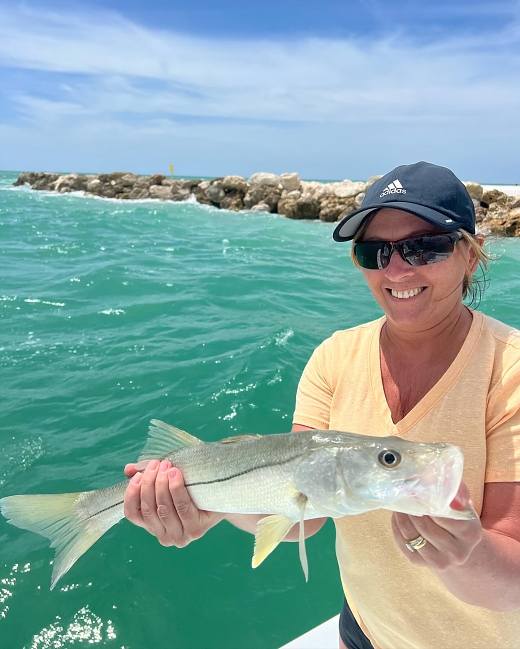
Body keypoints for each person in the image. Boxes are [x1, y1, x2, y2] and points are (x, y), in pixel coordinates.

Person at [123, 162, 520, 649]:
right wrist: (213, 504)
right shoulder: (333, 357)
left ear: (471, 255)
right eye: (374, 251)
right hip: (363, 629)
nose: (396, 270)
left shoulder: (509, 370)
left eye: (424, 246)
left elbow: (512, 586)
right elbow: (302, 512)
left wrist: (468, 554)